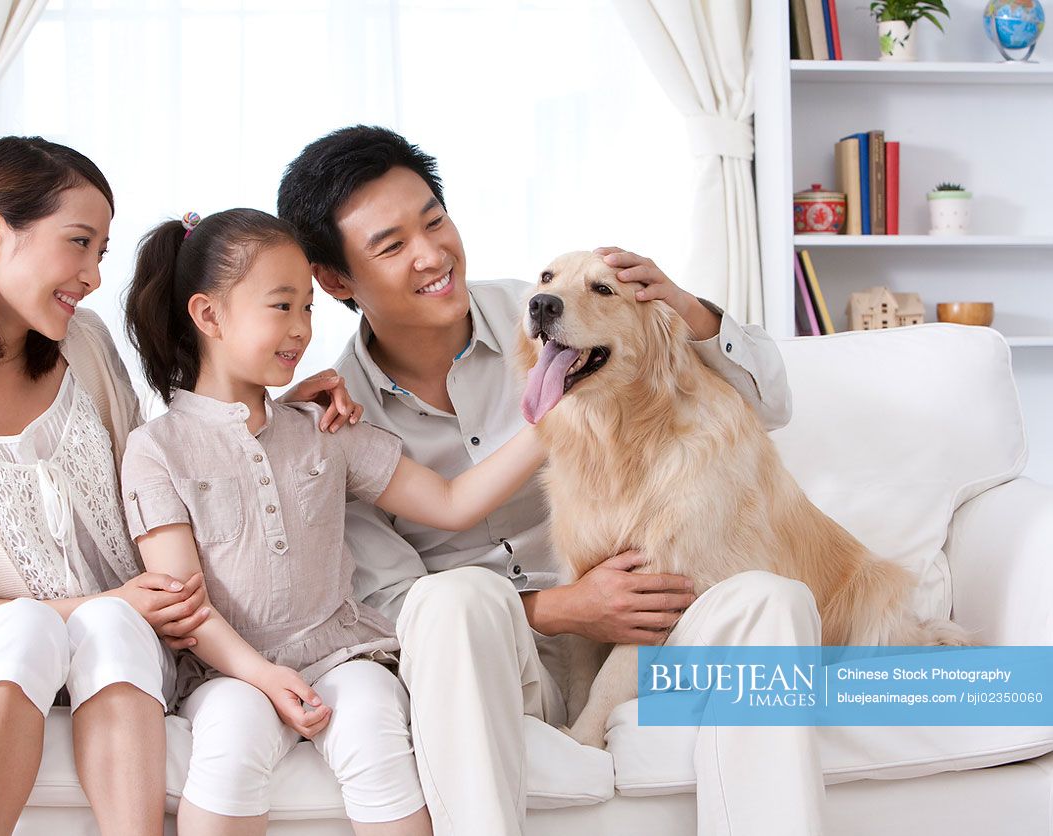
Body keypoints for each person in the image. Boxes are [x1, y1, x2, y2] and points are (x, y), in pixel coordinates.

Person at [276, 125, 825, 836]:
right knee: (454, 598)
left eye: (435, 221)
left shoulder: (557, 305)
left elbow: (771, 404)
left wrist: (686, 310)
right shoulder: (333, 419)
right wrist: (563, 608)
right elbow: (386, 610)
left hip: (650, 643)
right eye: (391, 245)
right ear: (335, 280)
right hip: (500, 665)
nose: (431, 254)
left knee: (769, 599)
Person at [0, 137, 354, 836]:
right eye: (78, 243)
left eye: (101, 252)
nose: (91, 275)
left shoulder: (82, 345)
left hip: (125, 636)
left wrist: (270, 415)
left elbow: (162, 462)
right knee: (30, 622)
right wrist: (94, 601)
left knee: (111, 622)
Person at [120, 207, 550, 836]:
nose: (300, 329)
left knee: (375, 712)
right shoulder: (157, 449)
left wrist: (553, 420)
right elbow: (185, 607)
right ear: (208, 316)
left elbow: (453, 501)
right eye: (281, 306)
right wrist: (264, 677)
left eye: (307, 310)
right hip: (227, 668)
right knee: (234, 732)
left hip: (342, 652)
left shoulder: (324, 430)